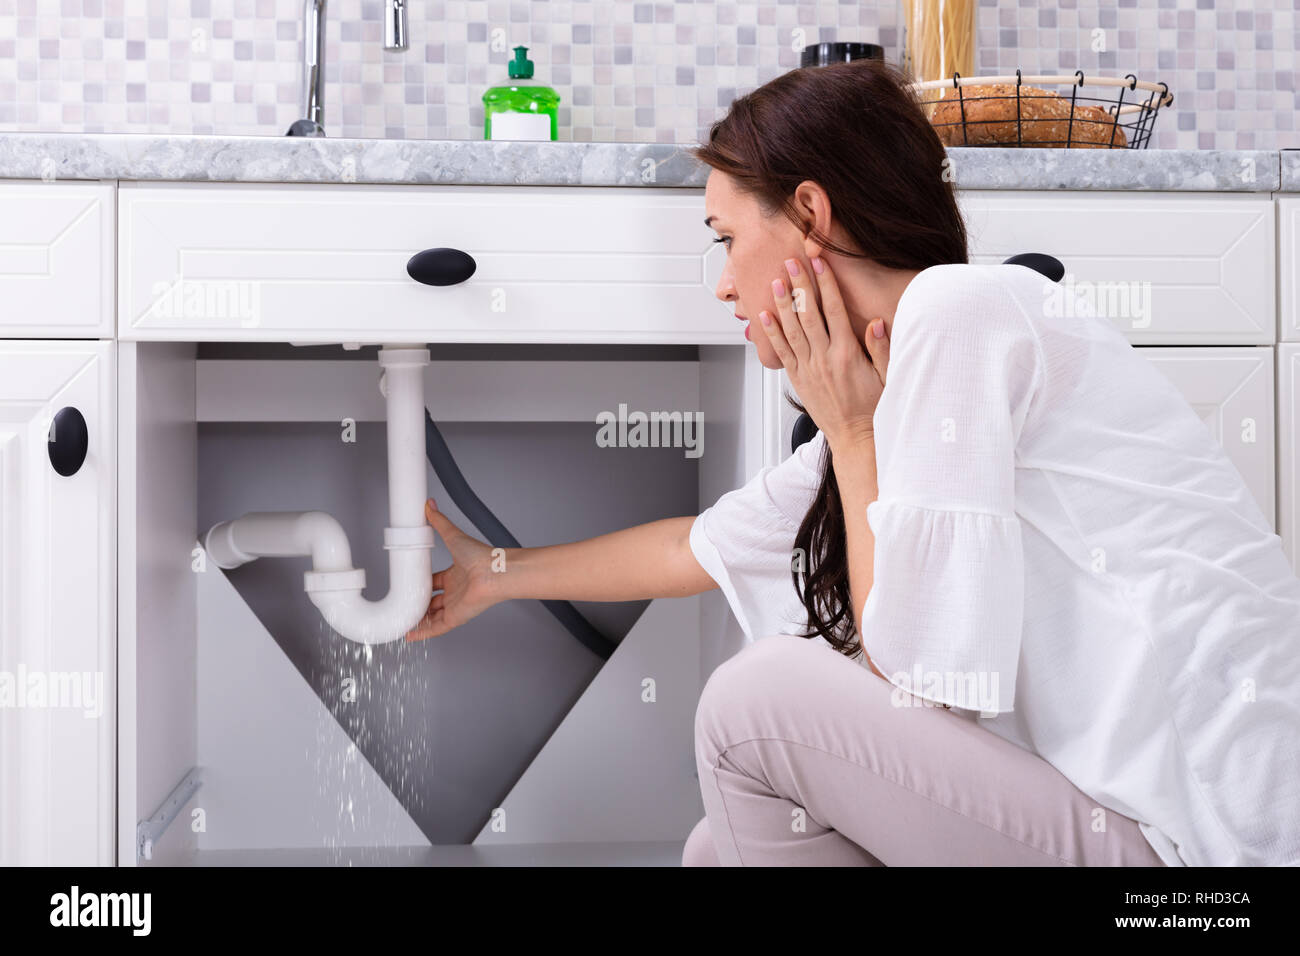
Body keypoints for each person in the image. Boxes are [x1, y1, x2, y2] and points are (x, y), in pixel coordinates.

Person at [407, 59, 1300, 867]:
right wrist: (496, 573)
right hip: (1130, 838)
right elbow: (699, 548)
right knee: (717, 849)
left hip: (1211, 863)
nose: (720, 282)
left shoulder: (962, 315)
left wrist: (853, 437)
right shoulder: (891, 382)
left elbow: (920, 685)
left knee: (752, 703)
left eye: (724, 237)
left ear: (808, 214)